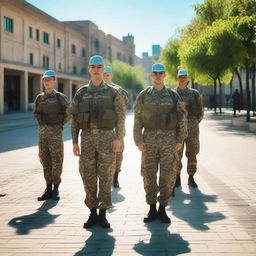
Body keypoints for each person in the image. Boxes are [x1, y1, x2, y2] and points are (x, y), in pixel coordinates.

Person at [71, 56, 125, 229]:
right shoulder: (81, 93)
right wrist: (74, 141)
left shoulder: (113, 92)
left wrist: (119, 138)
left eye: (99, 67)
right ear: (89, 68)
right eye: (93, 66)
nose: (96, 69)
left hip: (107, 140)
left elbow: (120, 118)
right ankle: (92, 213)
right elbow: (74, 119)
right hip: (86, 140)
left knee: (106, 177)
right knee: (88, 177)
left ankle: (102, 214)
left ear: (103, 70)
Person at [133, 63, 187, 224]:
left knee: (168, 175)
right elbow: (137, 119)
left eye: (160, 73)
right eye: (155, 73)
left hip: (169, 140)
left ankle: (163, 208)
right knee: (148, 175)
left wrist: (180, 140)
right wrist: (138, 140)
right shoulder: (144, 95)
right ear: (151, 75)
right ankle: (151, 208)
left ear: (165, 75)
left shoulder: (172, 95)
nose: (157, 76)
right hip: (148, 140)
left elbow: (182, 117)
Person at [34, 70, 69, 201]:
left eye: (49, 79)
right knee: (44, 159)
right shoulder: (39, 98)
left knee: (57, 160)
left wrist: (60, 123)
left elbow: (69, 113)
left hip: (55, 133)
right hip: (42, 133)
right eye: (44, 79)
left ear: (54, 81)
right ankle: (48, 188)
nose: (46, 82)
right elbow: (36, 113)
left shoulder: (60, 97)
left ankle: (56, 189)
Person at [174, 69, 204, 189]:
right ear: (177, 78)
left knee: (192, 154)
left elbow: (200, 112)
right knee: (177, 155)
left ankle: (191, 177)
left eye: (184, 77)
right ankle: (177, 178)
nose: (182, 79)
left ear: (187, 78)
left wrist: (194, 123)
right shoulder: (172, 93)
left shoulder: (195, 93)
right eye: (180, 76)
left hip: (192, 130)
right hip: (177, 131)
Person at [103, 65, 129, 188]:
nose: (106, 76)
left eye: (108, 74)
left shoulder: (119, 90)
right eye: (104, 74)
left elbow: (124, 106)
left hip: (117, 127)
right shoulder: (98, 90)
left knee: (118, 153)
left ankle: (115, 177)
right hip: (104, 127)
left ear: (111, 75)